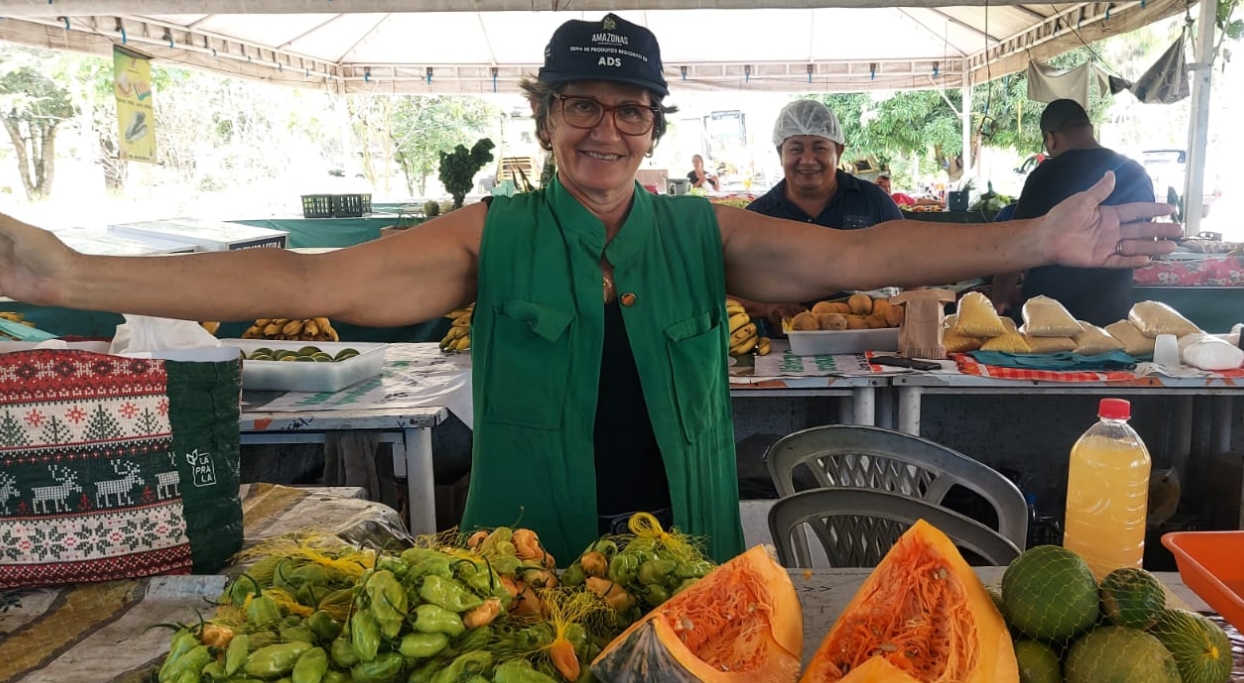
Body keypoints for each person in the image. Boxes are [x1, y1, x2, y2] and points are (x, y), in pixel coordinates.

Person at [0, 15, 1176, 564]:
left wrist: (1033, 232)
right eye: (579, 105)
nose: (603, 128)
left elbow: (864, 257)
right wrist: (63, 268)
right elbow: (307, 277)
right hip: (528, 548)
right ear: (545, 119)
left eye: (626, 109)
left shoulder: (703, 235)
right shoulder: (488, 236)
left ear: (651, 123)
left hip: (694, 542)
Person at [991, 99, 1155, 326]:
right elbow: (1143, 241)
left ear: (1051, 138)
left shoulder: (1045, 176)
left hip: (1046, 318)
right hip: (1113, 316)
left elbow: (1016, 245)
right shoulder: (1136, 173)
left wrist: (999, 297)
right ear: (1091, 129)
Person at [742, 100, 904, 328]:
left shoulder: (873, 200)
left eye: (819, 147)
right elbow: (729, 290)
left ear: (839, 150)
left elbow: (909, 262)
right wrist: (769, 308)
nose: (808, 160)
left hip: (871, 343)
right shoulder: (758, 216)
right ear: (781, 153)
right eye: (796, 148)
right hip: (784, 351)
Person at [876, 174, 943, 208]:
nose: (888, 189)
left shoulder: (898, 196)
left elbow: (918, 201)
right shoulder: (874, 203)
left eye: (889, 186)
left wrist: (939, 203)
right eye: (884, 187)